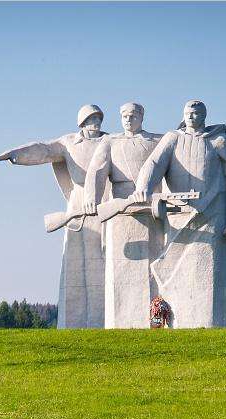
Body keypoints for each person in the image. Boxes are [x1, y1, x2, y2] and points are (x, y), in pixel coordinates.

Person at [0, 105, 109, 329]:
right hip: (78, 202)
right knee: (75, 264)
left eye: (98, 118)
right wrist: (15, 154)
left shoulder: (110, 141)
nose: (96, 122)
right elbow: (43, 150)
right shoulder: (68, 142)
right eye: (91, 118)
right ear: (82, 122)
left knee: (104, 262)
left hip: (106, 200)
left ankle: (103, 319)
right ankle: (74, 322)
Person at [134, 99, 226, 328]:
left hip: (212, 213)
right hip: (178, 216)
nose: (191, 117)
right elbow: (154, 163)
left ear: (204, 116)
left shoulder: (220, 141)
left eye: (196, 113)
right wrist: (143, 186)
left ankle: (210, 322)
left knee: (208, 271)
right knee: (172, 268)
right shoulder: (173, 138)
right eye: (188, 113)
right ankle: (175, 320)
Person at [82, 102, 164, 329]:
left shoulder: (156, 141)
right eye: (124, 116)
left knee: (154, 267)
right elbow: (97, 171)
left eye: (133, 115)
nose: (128, 119)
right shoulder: (110, 141)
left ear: (142, 117)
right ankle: (122, 321)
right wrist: (91, 198)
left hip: (150, 210)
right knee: (121, 269)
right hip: (120, 209)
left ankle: (156, 318)